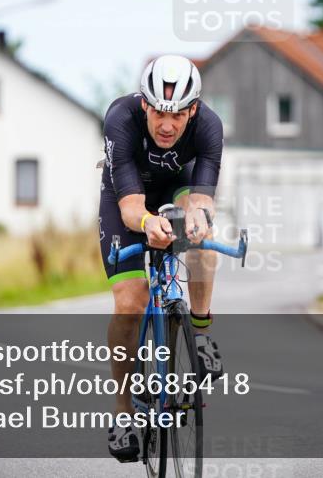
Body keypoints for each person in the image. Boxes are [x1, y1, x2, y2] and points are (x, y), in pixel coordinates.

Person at [99, 54, 224, 462]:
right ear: (144, 105)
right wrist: (148, 222)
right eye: (158, 113)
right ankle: (123, 413)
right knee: (130, 301)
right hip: (127, 194)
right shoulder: (121, 118)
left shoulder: (209, 126)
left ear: (193, 111)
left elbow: (202, 199)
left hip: (179, 186)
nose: (167, 125)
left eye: (177, 115)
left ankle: (200, 335)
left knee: (202, 238)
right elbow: (131, 208)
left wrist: (199, 220)